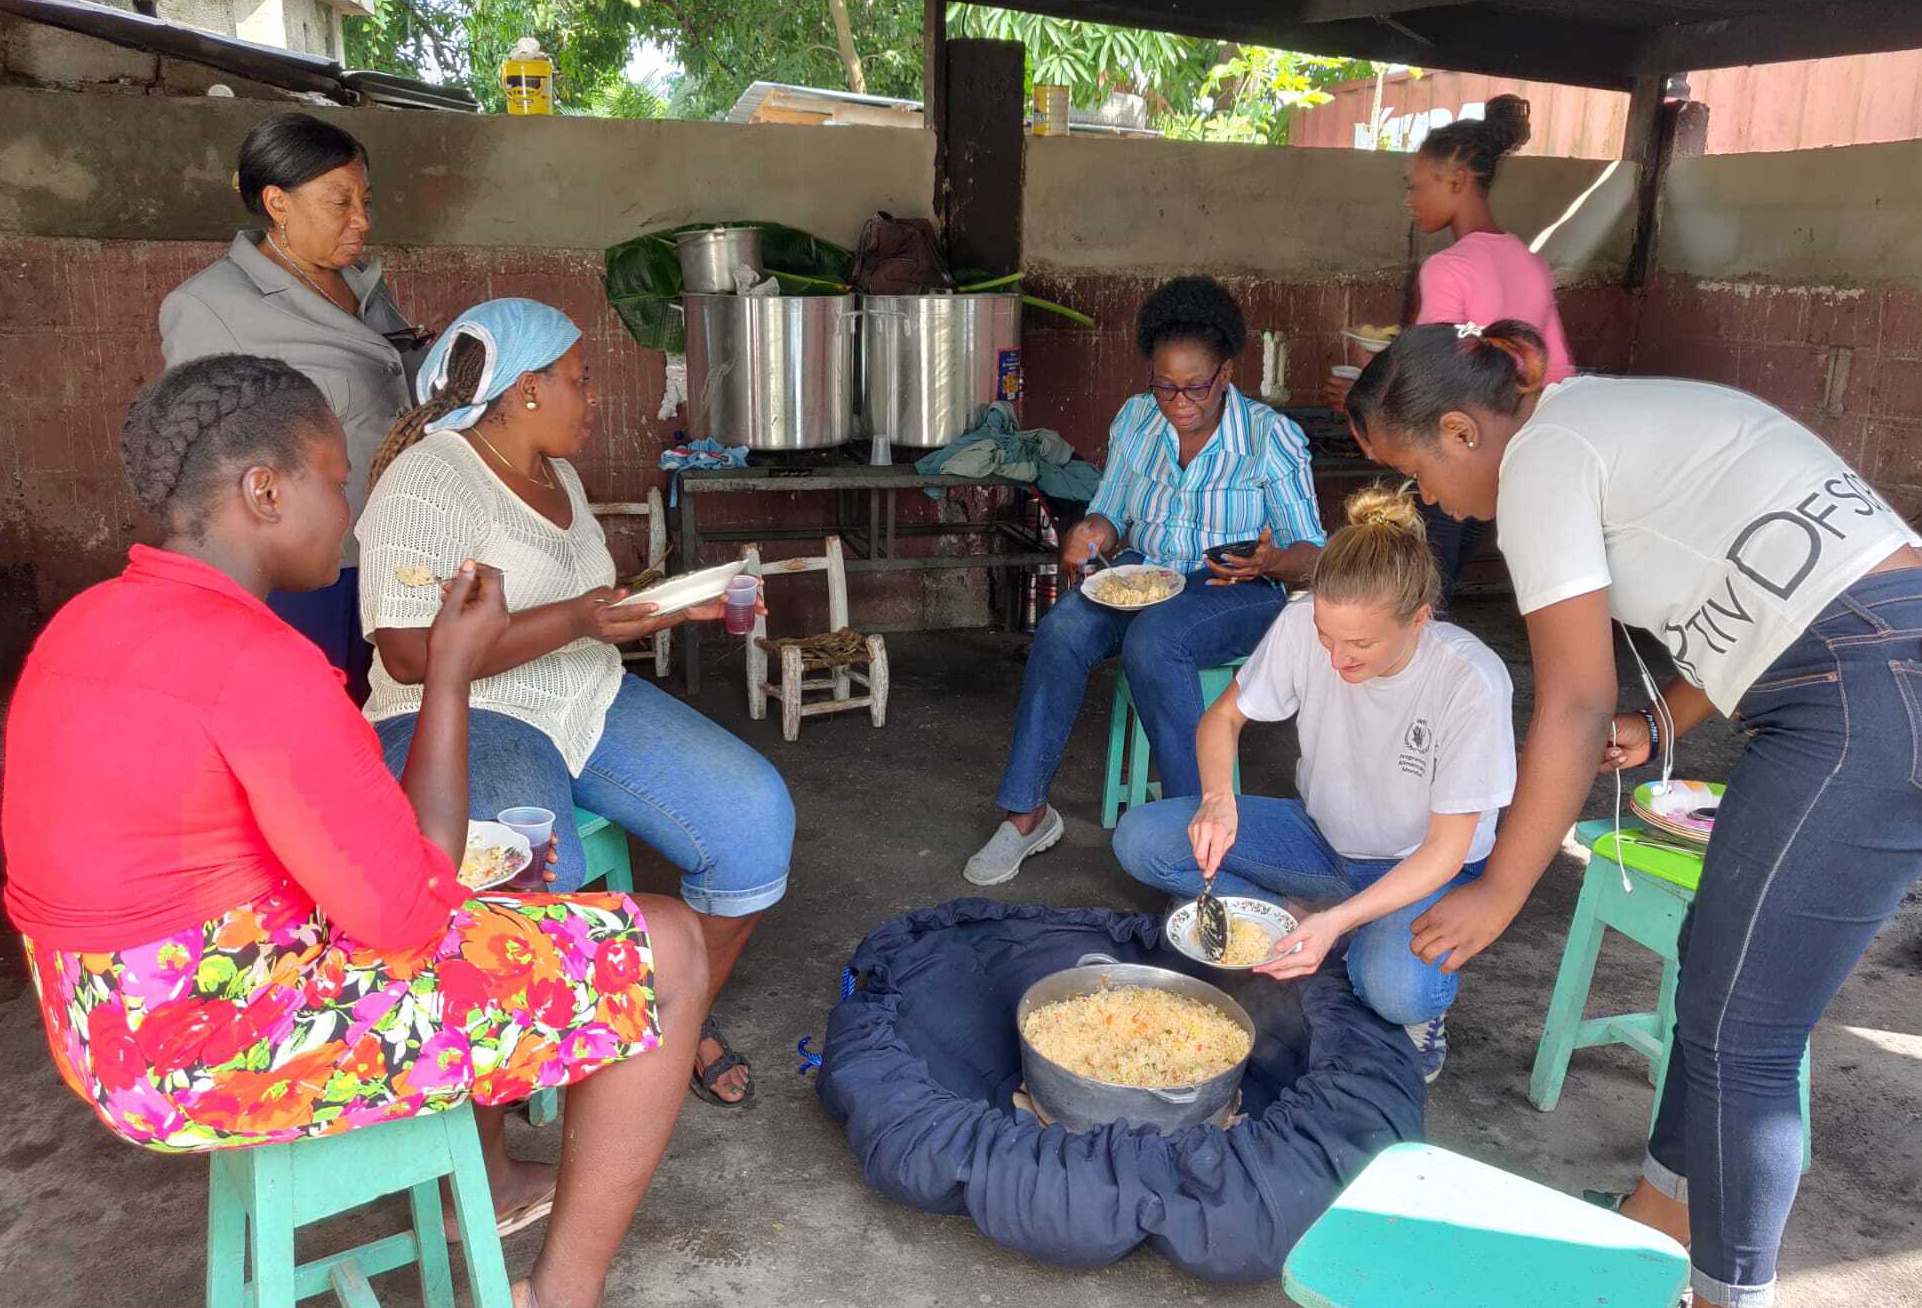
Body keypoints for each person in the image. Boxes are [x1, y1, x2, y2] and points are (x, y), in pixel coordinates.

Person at [2, 355, 705, 1308]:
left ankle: (503, 1193)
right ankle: (562, 1293)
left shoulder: (82, 626)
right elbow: (410, 915)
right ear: (264, 491)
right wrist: (448, 673)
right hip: (214, 1050)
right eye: (336, 484)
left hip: (101, 1032)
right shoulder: (259, 661)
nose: (350, 516)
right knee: (667, 943)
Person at [1347, 319, 1922, 1308]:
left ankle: (1723, 1297)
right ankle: (1658, 1219)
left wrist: (1498, 890)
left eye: (1414, 474)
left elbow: (1568, 704)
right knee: (1716, 967)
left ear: (1458, 431)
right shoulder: (1591, 418)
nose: (1424, 501)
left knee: (1744, 1037)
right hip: (1868, 659)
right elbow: (1760, 583)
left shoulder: (1540, 462)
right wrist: (1667, 719)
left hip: (1859, 698)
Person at [357, 298, 791, 1109]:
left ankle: (671, 1015)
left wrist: (664, 607)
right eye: (581, 381)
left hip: (584, 697)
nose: (595, 400)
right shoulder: (429, 479)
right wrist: (576, 618)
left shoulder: (557, 473)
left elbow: (583, 611)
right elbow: (409, 653)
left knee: (753, 820)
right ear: (526, 388)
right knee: (527, 882)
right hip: (461, 719)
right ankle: (568, 1042)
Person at [1113, 485, 1515, 1082]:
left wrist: (1338, 921)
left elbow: (1444, 852)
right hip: (1321, 841)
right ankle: (1312, 918)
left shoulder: (1469, 681)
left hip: (1420, 871)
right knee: (1143, 838)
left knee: (1397, 991)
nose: (1337, 659)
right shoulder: (1304, 621)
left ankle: (1330, 927)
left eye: (1361, 644)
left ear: (1419, 620)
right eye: (1328, 637)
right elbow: (1222, 718)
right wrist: (1218, 803)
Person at [963, 276, 1325, 886]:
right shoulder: (1136, 421)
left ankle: (1194, 837)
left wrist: (1271, 561)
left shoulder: (1269, 438)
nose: (1178, 402)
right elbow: (1111, 513)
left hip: (1237, 590)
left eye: (1195, 387)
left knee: (1156, 640)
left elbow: (1313, 554)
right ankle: (1027, 814)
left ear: (1227, 374)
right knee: (1063, 629)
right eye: (1164, 386)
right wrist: (1090, 533)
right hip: (1146, 579)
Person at [160, 112, 431, 702]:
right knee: (316, 710)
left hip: (395, 546)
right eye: (341, 202)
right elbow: (199, 455)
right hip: (304, 567)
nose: (364, 220)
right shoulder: (211, 307)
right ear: (277, 202)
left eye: (365, 199)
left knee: (391, 709)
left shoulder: (362, 284)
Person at [1329, 95, 1575, 607]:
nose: (1411, 201)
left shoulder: (1449, 267)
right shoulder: (1530, 262)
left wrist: (1362, 395)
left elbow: (1429, 372)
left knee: (1423, 582)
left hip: (1453, 444)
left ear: (1457, 182)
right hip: (1517, 448)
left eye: (1418, 187)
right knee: (1453, 569)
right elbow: (1556, 370)